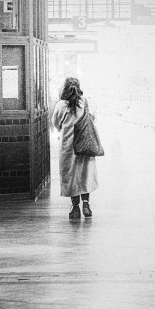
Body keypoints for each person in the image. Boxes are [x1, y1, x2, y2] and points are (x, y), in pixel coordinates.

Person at [52, 77, 98, 220]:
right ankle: (86, 205)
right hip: (84, 144)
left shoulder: (61, 105)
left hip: (68, 147)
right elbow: (91, 119)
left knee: (71, 176)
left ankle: (75, 208)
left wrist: (65, 128)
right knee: (84, 175)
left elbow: (56, 123)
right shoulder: (83, 102)